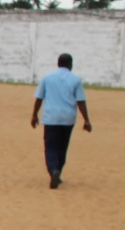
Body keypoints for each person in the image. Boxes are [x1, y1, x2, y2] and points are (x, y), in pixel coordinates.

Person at [31, 53, 92, 189]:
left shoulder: (47, 78)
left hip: (51, 117)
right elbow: (81, 102)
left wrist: (34, 115)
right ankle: (58, 170)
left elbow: (39, 98)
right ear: (71, 64)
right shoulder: (75, 80)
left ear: (58, 63)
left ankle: (53, 170)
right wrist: (86, 120)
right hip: (67, 118)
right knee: (62, 147)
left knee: (51, 147)